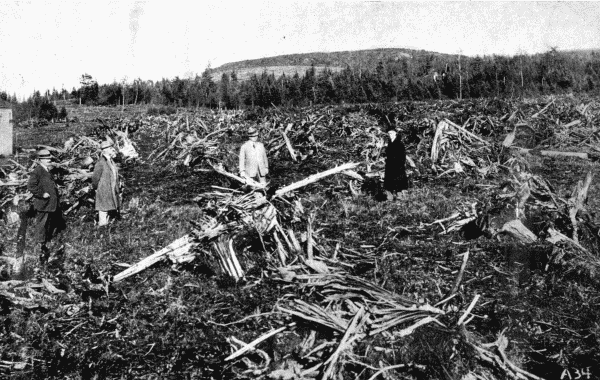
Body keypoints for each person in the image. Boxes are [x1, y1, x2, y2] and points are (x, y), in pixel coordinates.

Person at [27, 149, 64, 261]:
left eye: (49, 158)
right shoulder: (37, 171)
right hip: (43, 203)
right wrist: (42, 194)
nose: (49, 160)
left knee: (48, 224)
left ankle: (45, 242)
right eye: (46, 158)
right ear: (40, 160)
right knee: (41, 224)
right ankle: (40, 246)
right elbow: (31, 186)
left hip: (50, 203)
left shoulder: (47, 170)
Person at [92, 140, 121, 226]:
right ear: (105, 150)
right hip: (104, 189)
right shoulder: (101, 162)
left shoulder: (111, 161)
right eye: (110, 148)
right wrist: (97, 188)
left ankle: (109, 227)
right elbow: (95, 178)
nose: (113, 149)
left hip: (111, 189)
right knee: (103, 209)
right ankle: (102, 228)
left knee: (109, 207)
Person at [383, 128, 408, 200]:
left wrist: (401, 164)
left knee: (398, 180)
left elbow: (403, 156)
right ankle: (390, 196)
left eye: (391, 133)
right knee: (389, 180)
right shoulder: (389, 143)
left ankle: (399, 195)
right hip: (389, 165)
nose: (389, 135)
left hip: (398, 165)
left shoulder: (400, 143)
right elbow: (387, 154)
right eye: (389, 133)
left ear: (395, 133)